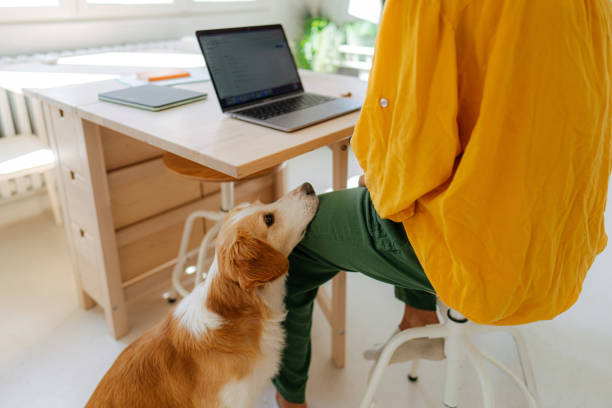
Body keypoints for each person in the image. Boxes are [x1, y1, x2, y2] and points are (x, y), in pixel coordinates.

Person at [274, 0, 612, 406]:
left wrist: (380, 175)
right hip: (558, 240)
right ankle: (417, 316)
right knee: (397, 190)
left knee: (290, 244)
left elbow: (409, 148)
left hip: (477, 250)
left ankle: (288, 400)